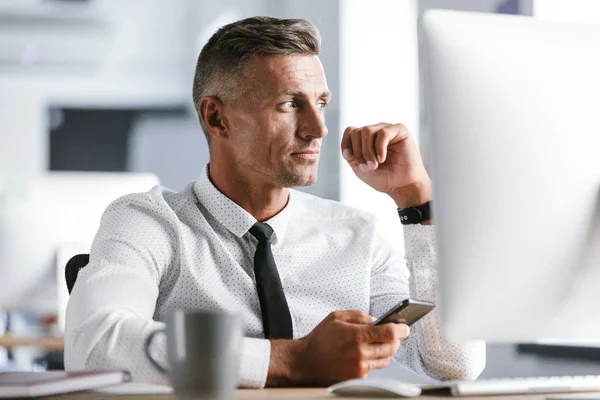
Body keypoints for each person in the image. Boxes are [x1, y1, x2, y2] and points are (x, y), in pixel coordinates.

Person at [64, 16, 485, 388]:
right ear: (216, 117)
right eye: (289, 104)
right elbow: (96, 344)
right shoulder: (148, 222)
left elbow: (453, 363)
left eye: (321, 103)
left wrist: (415, 199)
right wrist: (292, 360)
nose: (317, 128)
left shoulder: (358, 238)